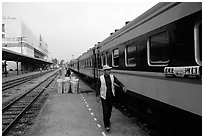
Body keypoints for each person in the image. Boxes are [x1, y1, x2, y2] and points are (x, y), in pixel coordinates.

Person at [96, 65, 127, 132]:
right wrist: (97, 96)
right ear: (104, 71)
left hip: (111, 96)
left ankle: (108, 120)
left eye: (110, 70)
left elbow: (117, 82)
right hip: (104, 97)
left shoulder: (112, 77)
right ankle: (106, 125)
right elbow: (98, 87)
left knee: (109, 111)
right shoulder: (100, 78)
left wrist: (122, 86)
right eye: (108, 70)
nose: (109, 71)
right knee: (105, 111)